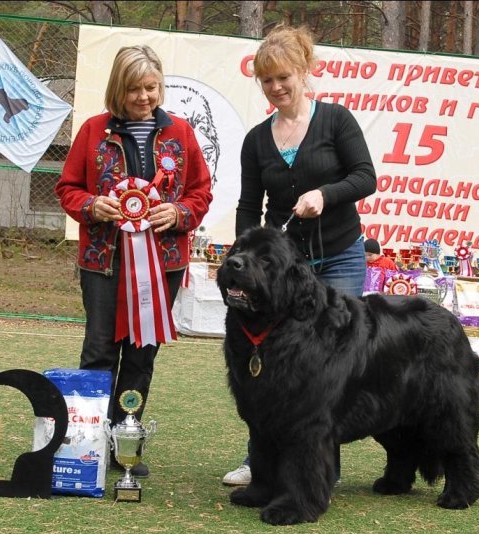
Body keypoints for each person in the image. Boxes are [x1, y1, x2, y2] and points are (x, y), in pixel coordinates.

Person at [223, 24, 377, 486]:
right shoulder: (256, 139)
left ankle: (319, 469)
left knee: (329, 369)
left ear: (304, 72)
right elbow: (251, 207)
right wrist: (243, 258)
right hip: (283, 275)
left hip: (341, 258)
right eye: (267, 80)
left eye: (283, 77)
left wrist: (325, 195)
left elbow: (365, 177)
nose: (276, 88)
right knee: (267, 367)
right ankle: (261, 462)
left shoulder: (336, 121)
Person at [55, 45, 212, 478]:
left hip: (162, 264)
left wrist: (178, 213)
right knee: (99, 352)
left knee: (142, 356)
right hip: (102, 262)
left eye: (151, 87)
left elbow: (200, 192)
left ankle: (127, 443)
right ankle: (87, 445)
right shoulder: (92, 131)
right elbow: (67, 188)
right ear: (117, 90)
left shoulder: (180, 133)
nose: (145, 97)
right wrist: (91, 205)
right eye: (134, 89)